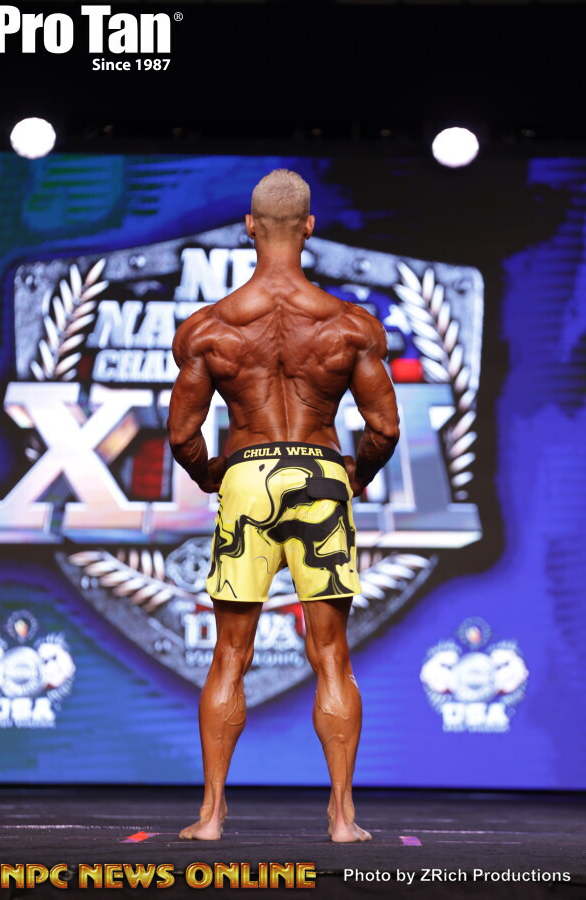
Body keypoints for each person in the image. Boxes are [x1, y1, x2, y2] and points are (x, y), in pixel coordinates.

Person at [167, 169, 400, 843]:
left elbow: (182, 434)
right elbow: (384, 427)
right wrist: (355, 474)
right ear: (309, 227)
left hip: (247, 477)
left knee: (229, 654)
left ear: (248, 227)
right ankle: (343, 817)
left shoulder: (209, 327)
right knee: (331, 655)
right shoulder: (349, 325)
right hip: (321, 475)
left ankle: (212, 815)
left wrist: (214, 475)